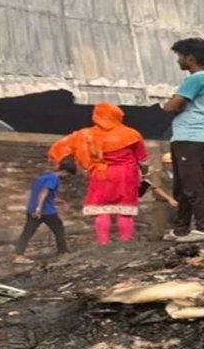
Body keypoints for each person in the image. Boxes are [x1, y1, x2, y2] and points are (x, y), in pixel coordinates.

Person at [48, 102, 149, 246]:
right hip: (126, 175)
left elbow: (59, 147)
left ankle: (103, 242)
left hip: (100, 175)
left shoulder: (86, 134)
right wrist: (145, 174)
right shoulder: (132, 134)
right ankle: (126, 242)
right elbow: (143, 160)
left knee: (101, 210)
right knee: (125, 210)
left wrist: (69, 164)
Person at [160, 38, 204, 242]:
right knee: (182, 184)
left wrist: (172, 102)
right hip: (188, 137)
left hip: (191, 137)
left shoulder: (196, 79)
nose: (178, 61)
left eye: (180, 57)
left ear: (190, 58)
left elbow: (170, 107)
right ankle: (181, 228)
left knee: (192, 183)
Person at [12, 158, 77, 264]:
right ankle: (63, 252)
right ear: (65, 172)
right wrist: (39, 208)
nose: (66, 177)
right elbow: (44, 191)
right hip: (46, 211)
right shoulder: (54, 179)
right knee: (59, 229)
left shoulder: (43, 177)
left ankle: (18, 255)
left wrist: (36, 207)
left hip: (32, 209)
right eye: (68, 175)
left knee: (27, 232)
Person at [146, 152, 178, 239]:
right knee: (158, 226)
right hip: (162, 203)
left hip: (176, 202)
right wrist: (169, 199)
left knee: (176, 225)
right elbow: (156, 187)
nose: (171, 166)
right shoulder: (158, 174)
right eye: (169, 164)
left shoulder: (177, 174)